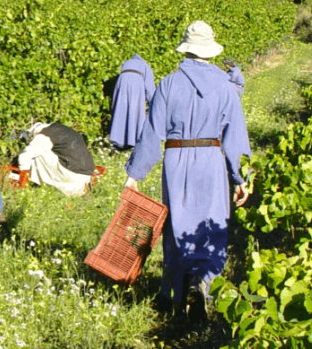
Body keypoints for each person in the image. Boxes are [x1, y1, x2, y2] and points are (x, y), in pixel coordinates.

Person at [123, 21, 251, 321]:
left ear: (186, 48)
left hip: (176, 159)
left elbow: (152, 132)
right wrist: (241, 178)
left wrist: (135, 174)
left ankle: (176, 297)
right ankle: (203, 282)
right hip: (211, 158)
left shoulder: (168, 84)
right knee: (211, 223)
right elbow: (235, 135)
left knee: (177, 224)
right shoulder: (226, 86)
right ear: (210, 50)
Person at [17, 122, 96, 197]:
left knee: (35, 153)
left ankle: (28, 185)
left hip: (73, 180)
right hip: (86, 179)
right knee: (40, 150)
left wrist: (23, 176)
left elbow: (24, 157)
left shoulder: (45, 135)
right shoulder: (63, 130)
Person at [109, 54, 156, 150]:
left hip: (121, 81)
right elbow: (150, 88)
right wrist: (153, 104)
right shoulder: (144, 65)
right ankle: (134, 141)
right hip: (136, 82)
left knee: (120, 109)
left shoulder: (126, 63)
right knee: (135, 109)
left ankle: (118, 141)